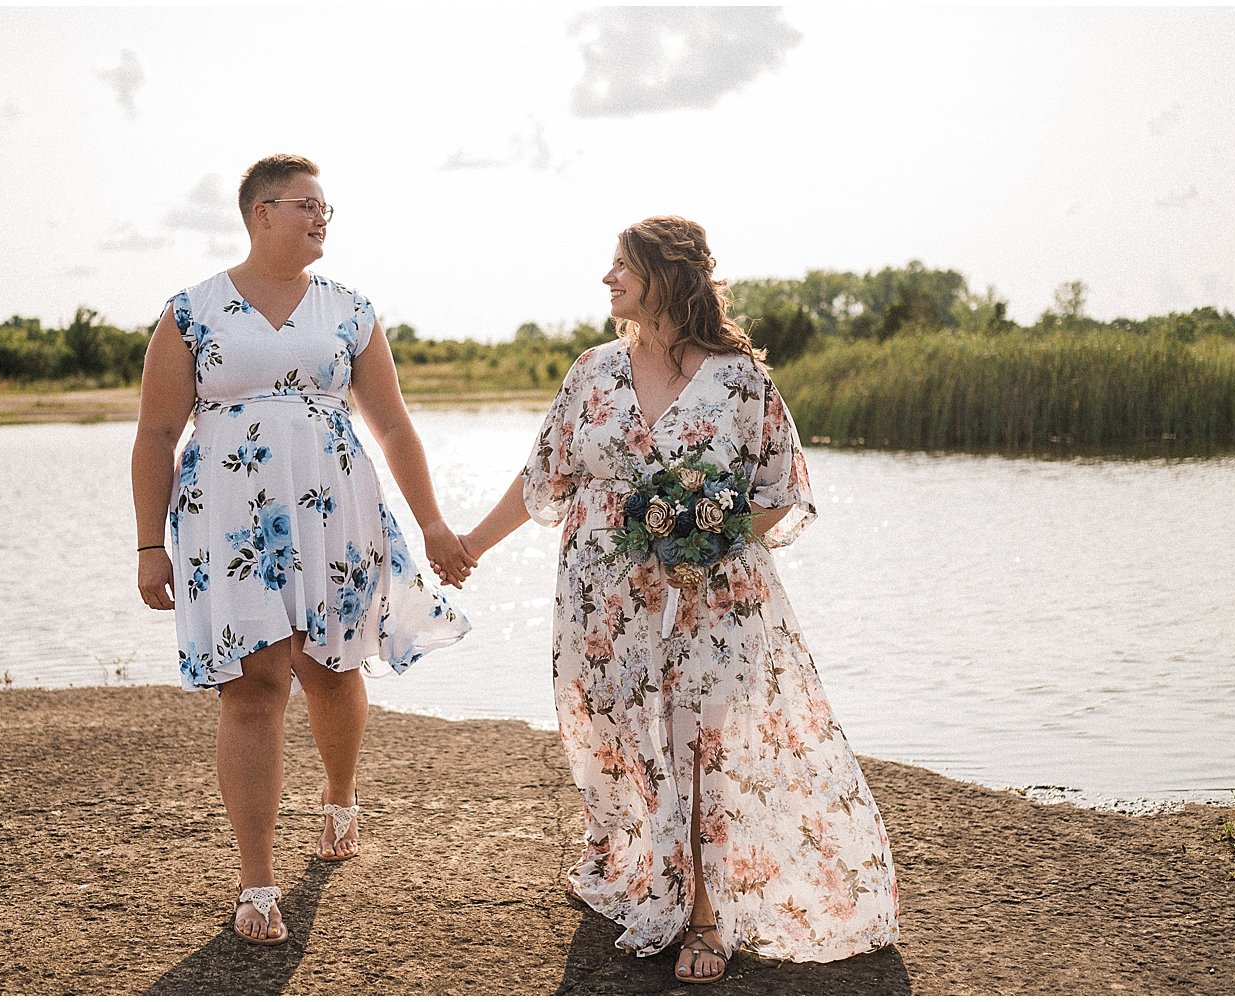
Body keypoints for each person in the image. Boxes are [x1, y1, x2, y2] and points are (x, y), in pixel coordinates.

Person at [458, 217, 899, 982]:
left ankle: (706, 919)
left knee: (701, 749)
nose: (607, 280)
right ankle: (642, 868)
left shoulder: (737, 379)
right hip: (602, 604)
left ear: (665, 276)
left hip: (711, 599)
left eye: (621, 266)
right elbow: (544, 480)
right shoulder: (592, 372)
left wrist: (702, 545)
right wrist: (468, 546)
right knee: (620, 740)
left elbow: (780, 488)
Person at [131, 154, 475, 946]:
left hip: (336, 511)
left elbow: (391, 425)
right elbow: (155, 433)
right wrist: (151, 544)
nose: (322, 219)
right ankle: (256, 884)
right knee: (253, 686)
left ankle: (339, 797)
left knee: (331, 667)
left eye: (327, 209)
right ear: (261, 213)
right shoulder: (192, 312)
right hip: (229, 519)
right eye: (306, 206)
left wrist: (429, 523)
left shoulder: (351, 310)